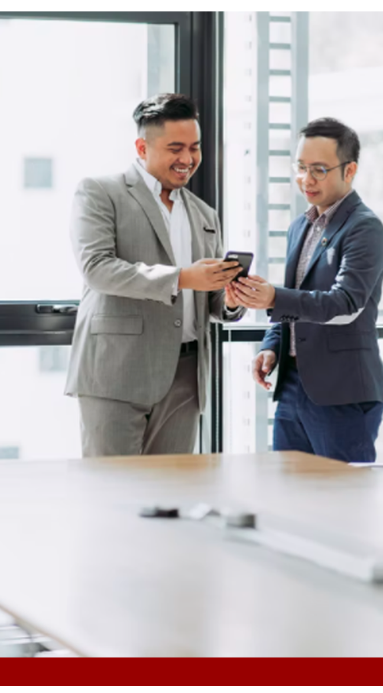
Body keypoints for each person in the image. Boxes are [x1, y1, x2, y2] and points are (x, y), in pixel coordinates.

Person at [65, 93, 245, 457]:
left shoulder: (205, 214)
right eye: (175, 147)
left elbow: (206, 299)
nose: (188, 159)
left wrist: (228, 299)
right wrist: (181, 277)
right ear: (142, 147)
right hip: (117, 370)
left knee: (171, 496)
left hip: (187, 376)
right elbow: (97, 269)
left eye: (194, 147)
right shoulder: (100, 192)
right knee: (113, 493)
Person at [231, 117, 383, 463]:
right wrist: (272, 346)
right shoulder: (300, 226)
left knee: (343, 505)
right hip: (291, 387)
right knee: (291, 499)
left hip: (342, 393)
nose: (306, 179)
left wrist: (273, 297)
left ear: (350, 171)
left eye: (319, 169)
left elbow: (346, 303)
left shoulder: (365, 228)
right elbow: (295, 298)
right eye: (300, 167)